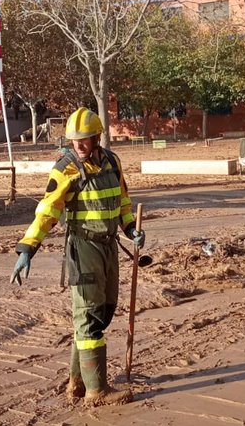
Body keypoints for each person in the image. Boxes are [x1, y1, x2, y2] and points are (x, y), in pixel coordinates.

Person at [11, 107, 145, 407]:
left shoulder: (112, 161)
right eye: (74, 140)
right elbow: (47, 211)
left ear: (97, 137)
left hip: (109, 246)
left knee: (104, 313)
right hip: (83, 248)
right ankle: (97, 391)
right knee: (89, 318)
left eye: (84, 139)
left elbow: (122, 199)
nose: (79, 145)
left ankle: (77, 382)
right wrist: (28, 247)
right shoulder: (66, 168)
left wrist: (130, 228)